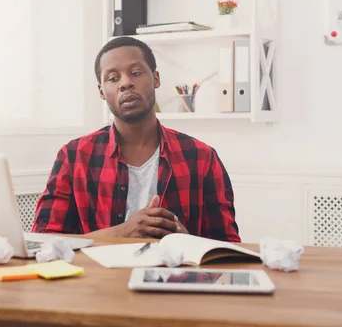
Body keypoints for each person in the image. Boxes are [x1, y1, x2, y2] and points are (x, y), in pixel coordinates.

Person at [31, 36, 240, 242]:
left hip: (175, 274)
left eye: (136, 73)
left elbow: (227, 248)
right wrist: (122, 232)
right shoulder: (74, 156)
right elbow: (44, 241)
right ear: (101, 92)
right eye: (113, 78)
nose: (126, 83)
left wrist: (187, 242)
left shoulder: (201, 157)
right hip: (102, 275)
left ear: (156, 78)